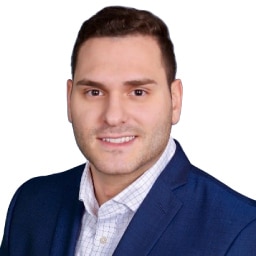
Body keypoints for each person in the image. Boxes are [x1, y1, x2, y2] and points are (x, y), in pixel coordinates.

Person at [1, 5, 256, 256]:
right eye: (94, 92)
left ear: (175, 101)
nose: (113, 116)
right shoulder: (30, 204)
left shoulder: (242, 232)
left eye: (138, 92)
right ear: (69, 100)